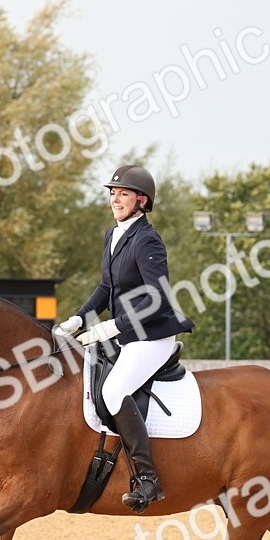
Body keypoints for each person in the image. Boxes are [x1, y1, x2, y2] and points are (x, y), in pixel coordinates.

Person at [55, 165, 194, 512]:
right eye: (113, 194)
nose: (115, 200)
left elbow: (158, 298)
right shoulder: (113, 234)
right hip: (126, 334)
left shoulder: (147, 240)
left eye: (124, 194)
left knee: (114, 390)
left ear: (141, 201)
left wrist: (112, 326)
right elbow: (107, 286)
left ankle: (148, 479)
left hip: (152, 336)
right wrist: (79, 318)